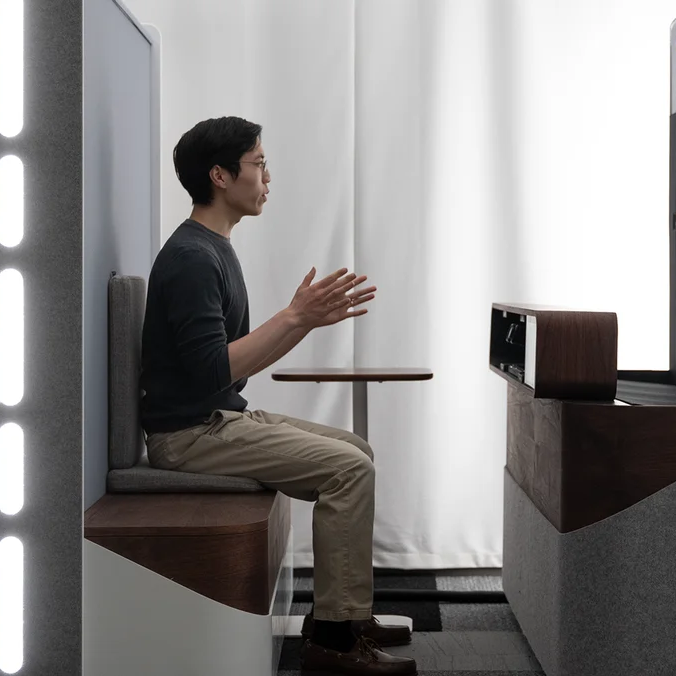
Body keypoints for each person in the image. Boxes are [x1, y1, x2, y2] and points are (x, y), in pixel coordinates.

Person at [139, 116, 418, 676]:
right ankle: (335, 644)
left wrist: (302, 323)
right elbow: (210, 372)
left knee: (355, 452)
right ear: (220, 175)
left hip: (217, 416)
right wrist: (294, 317)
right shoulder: (193, 258)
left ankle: (340, 614)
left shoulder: (213, 246)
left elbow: (228, 370)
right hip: (189, 435)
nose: (268, 176)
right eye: (259, 164)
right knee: (348, 470)